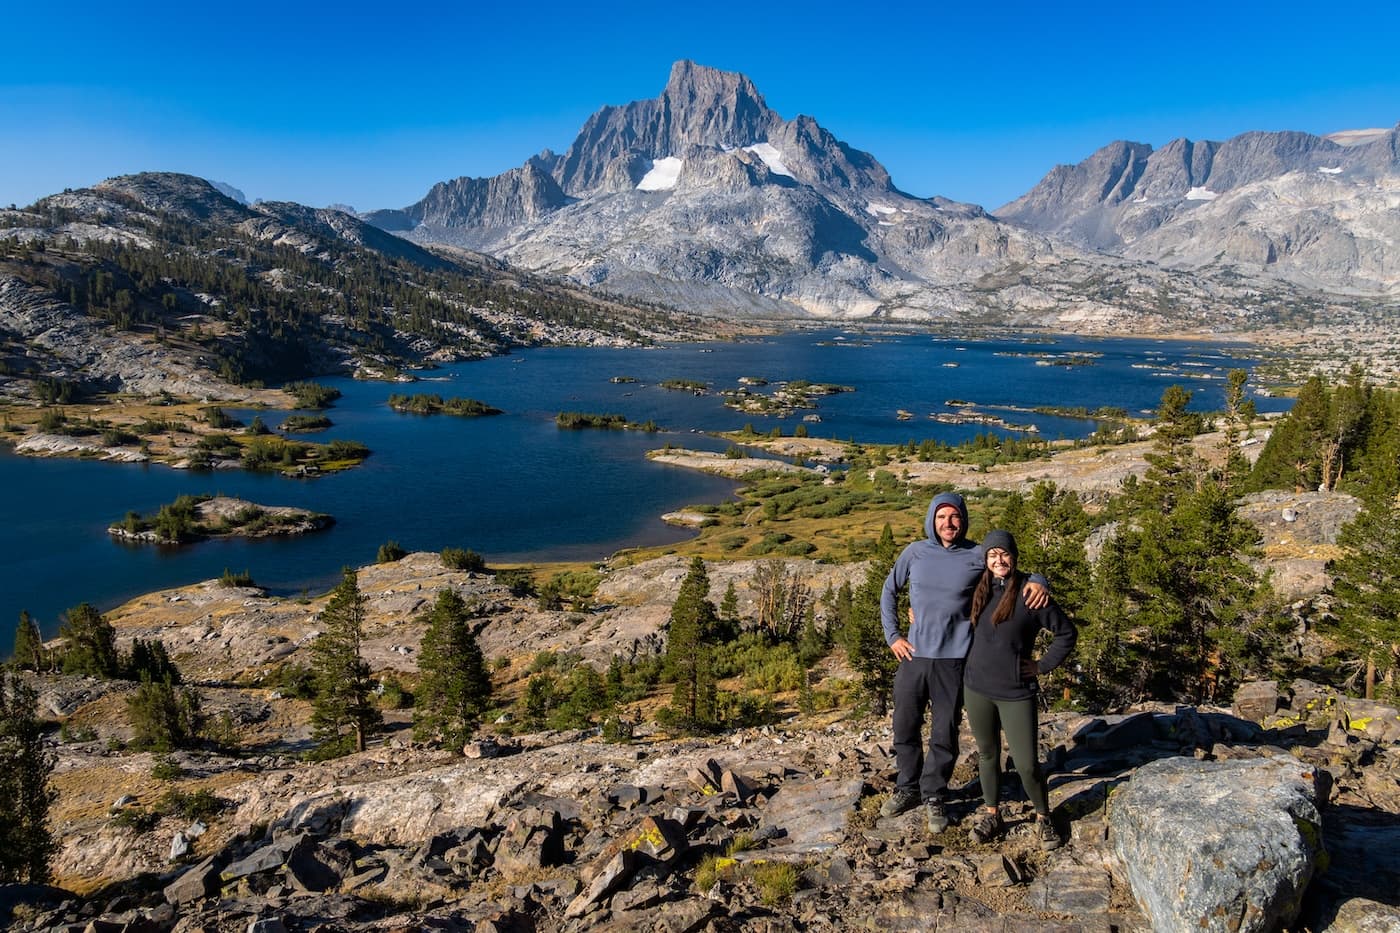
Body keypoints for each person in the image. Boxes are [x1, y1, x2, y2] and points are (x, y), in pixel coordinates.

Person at [878, 492, 1048, 833]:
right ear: (931, 520)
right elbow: (889, 589)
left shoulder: (974, 555)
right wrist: (893, 635)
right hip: (914, 656)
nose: (948, 523)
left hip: (955, 660)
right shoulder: (915, 552)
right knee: (905, 727)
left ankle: (935, 795)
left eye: (954, 517)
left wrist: (1040, 580)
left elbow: (1009, 570)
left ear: (963, 520)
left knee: (944, 732)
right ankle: (907, 788)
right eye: (941, 517)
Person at [962, 529, 1077, 849]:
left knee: (1026, 763)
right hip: (977, 688)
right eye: (992, 555)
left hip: (1016, 691)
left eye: (1004, 554)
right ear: (985, 560)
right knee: (987, 754)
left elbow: (1066, 633)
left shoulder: (1031, 593)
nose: (999, 560)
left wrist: (1041, 666)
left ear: (1014, 556)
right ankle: (992, 813)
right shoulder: (979, 589)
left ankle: (1043, 816)